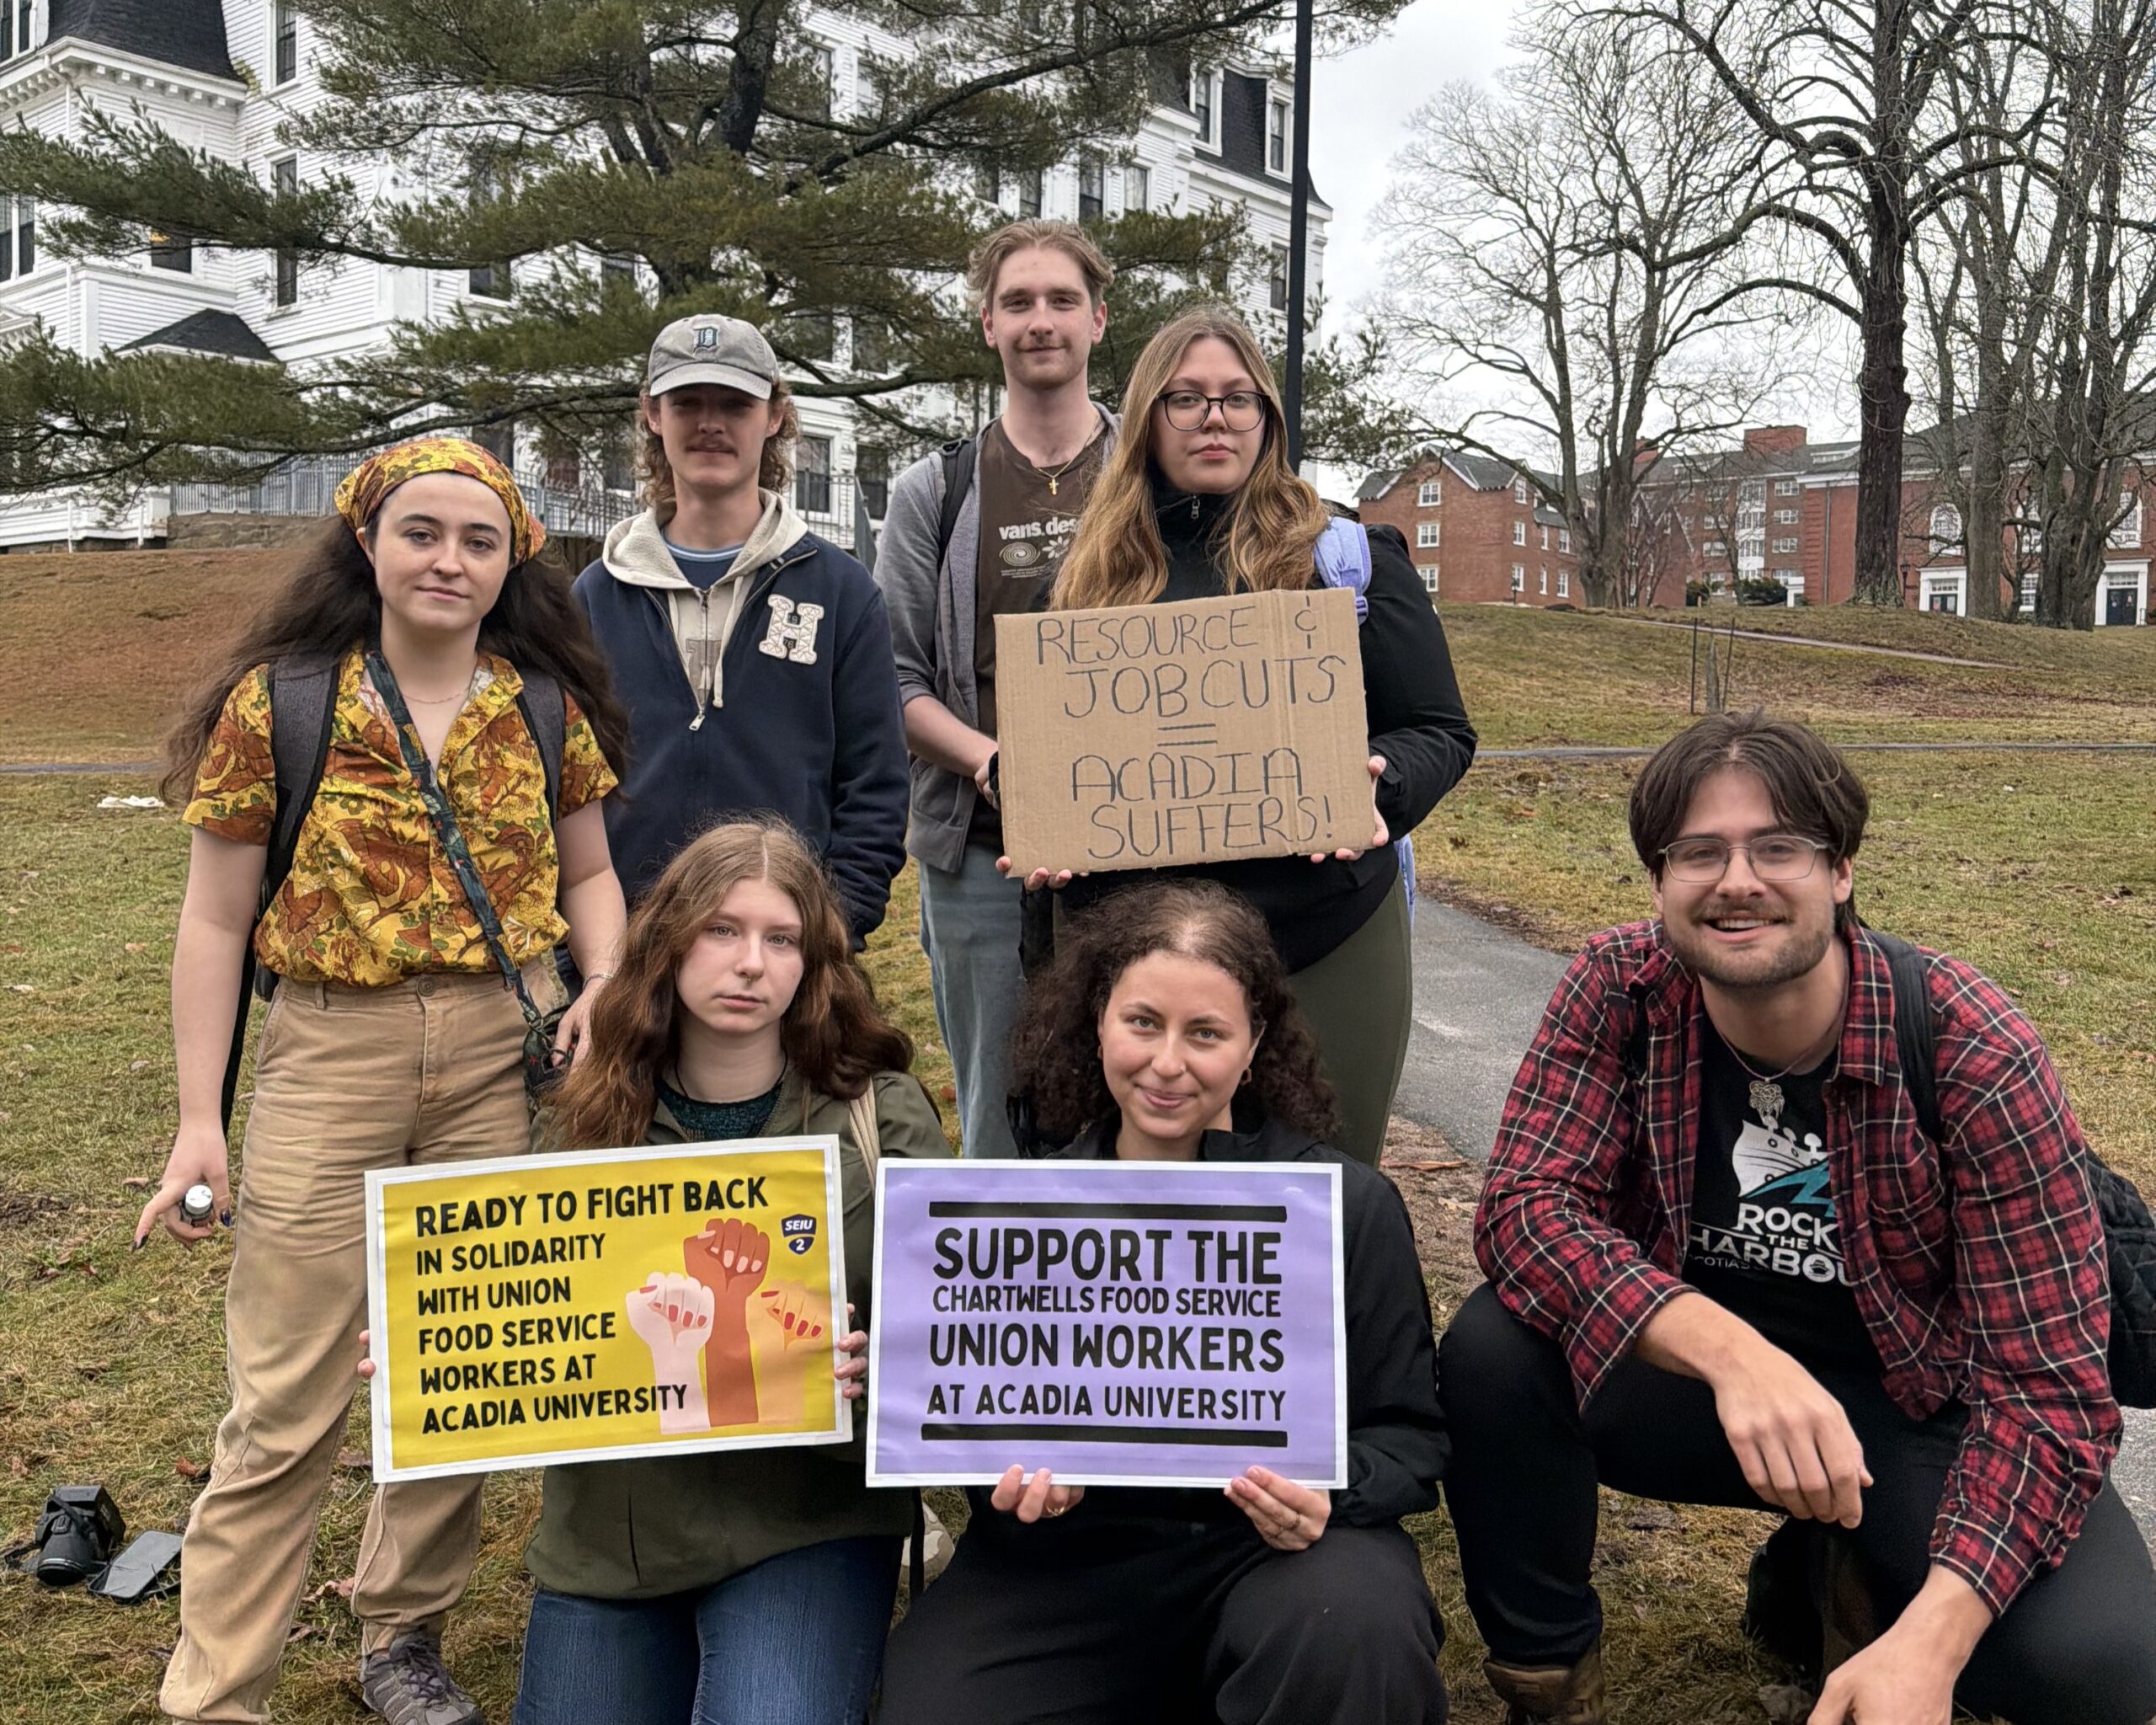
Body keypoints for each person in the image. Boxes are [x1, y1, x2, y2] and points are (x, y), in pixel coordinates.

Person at [1442, 711, 2156, 1725]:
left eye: (1777, 847)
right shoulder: (1620, 988)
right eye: (1699, 851)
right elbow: (1525, 1208)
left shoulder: (1970, 1045)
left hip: (1914, 1402)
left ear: (1841, 870)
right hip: (1697, 1384)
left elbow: (2048, 1391)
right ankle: (1547, 1680)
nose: (1736, 880)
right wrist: (1734, 1353)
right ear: (1658, 881)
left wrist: (1934, 1636)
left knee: (2098, 1665)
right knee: (1493, 1348)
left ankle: (1846, 1571)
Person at [139, 438, 630, 1725]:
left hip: (497, 1055)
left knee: (461, 1368)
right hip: (328, 1052)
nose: (448, 559)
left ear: (513, 559)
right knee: (283, 1396)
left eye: (478, 538)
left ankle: (402, 1635)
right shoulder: (281, 704)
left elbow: (589, 873)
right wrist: (198, 1121)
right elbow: (213, 922)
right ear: (367, 542)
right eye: (421, 531)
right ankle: (218, 1691)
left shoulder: (542, 709)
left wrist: (604, 981)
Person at [878, 880, 1449, 1725]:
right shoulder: (1014, 1217)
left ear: (1254, 1045)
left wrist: (1336, 1496)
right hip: (1065, 1562)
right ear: (1098, 1022)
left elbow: (1409, 1438)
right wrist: (1004, 1472)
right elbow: (966, 1422)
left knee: (1355, 1630)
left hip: (1277, 1556)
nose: (1168, 1062)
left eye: (1206, 1032)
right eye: (1142, 1022)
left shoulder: (1342, 1209)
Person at [500, 818, 951, 1725]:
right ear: (668, 942)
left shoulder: (881, 1116)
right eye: (722, 930)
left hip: (811, 1518)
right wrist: (435, 1354)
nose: (751, 963)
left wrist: (883, 1366)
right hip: (618, 1530)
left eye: (781, 938)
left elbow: (955, 1334)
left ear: (812, 961)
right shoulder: (583, 1118)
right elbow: (527, 1310)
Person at [1022, 305, 1476, 1164]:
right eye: (1186, 398)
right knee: (1139, 1203)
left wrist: (1380, 788)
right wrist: (1033, 805)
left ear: (1267, 417)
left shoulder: (1345, 561)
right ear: (1147, 417)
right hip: (1128, 952)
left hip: (1321, 936)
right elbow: (1047, 754)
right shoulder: (1081, 580)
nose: (1215, 418)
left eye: (1238, 398)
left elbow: (1438, 728)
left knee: (1320, 1192)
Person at [878, 219, 1119, 1155]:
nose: (1039, 320)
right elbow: (895, 679)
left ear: (1098, 319)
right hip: (983, 855)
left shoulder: (1152, 471)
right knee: (995, 1109)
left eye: (1061, 300)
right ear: (988, 324)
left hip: (1142, 853)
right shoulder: (932, 491)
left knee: (1144, 1102)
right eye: (1017, 302)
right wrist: (991, 765)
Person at [575, 314, 908, 943]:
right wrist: (592, 958)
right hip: (628, 950)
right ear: (652, 414)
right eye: (687, 403)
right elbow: (562, 793)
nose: (710, 423)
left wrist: (826, 932)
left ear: (775, 416)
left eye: (734, 404)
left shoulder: (840, 592)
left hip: (783, 951)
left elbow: (876, 785)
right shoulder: (595, 597)